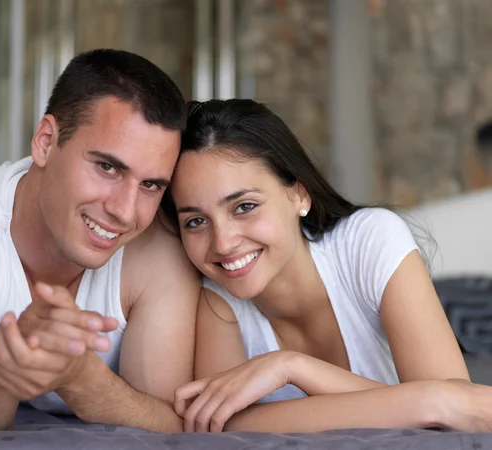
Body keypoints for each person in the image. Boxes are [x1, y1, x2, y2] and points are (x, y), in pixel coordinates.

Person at [0, 49, 200, 435]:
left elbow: (174, 430)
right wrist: (2, 377)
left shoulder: (162, 246)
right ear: (45, 141)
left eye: (151, 184)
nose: (125, 211)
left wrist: (81, 377)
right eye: (108, 167)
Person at [164, 99, 492, 433]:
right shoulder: (215, 298)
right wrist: (430, 403)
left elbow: (468, 415)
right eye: (195, 221)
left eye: (244, 206)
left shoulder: (369, 241)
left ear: (300, 196)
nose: (222, 243)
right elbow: (222, 426)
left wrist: (291, 366)